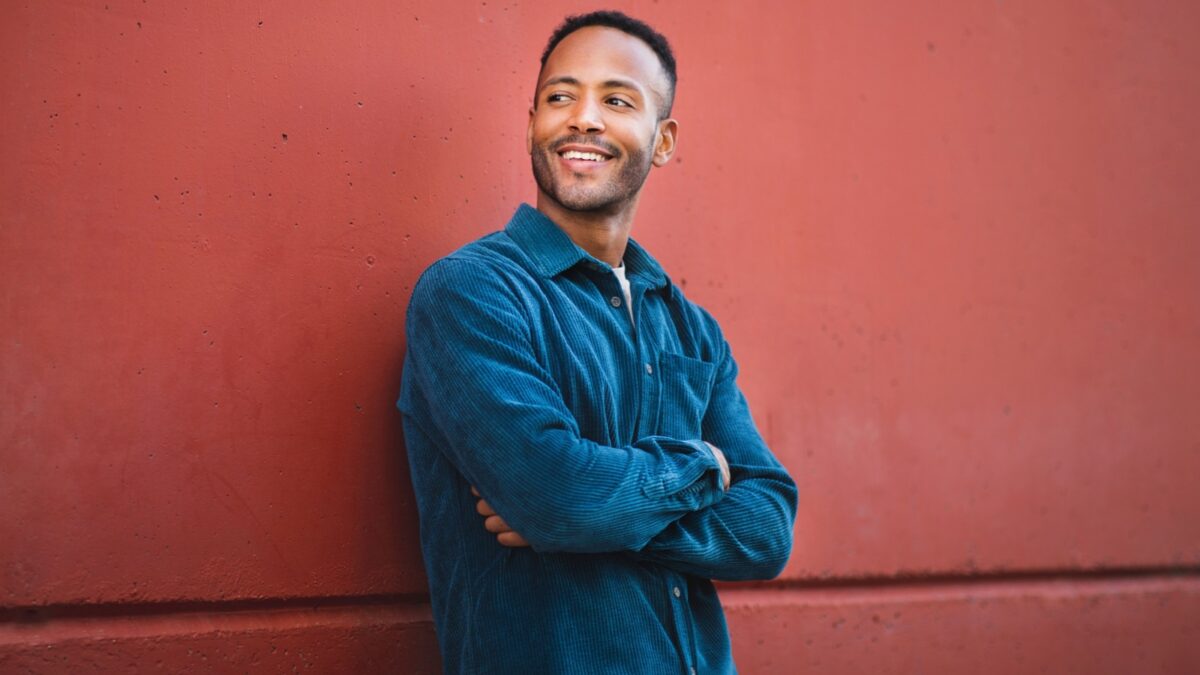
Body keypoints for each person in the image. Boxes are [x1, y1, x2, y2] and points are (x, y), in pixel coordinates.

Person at [398, 11, 797, 673]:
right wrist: (705, 466)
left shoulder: (690, 326)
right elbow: (558, 498)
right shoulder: (469, 293)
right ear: (531, 123)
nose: (583, 118)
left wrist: (597, 514)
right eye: (561, 96)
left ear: (663, 140)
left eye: (616, 100)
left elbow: (766, 527)